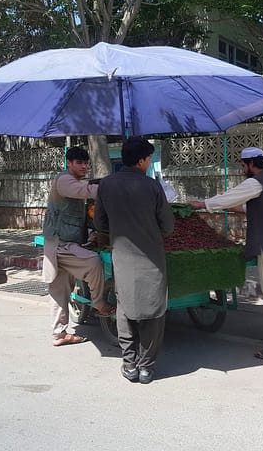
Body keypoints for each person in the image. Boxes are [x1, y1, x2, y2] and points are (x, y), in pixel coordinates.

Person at [189, 147, 263, 360]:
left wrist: (202, 204)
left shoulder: (256, 182)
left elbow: (231, 197)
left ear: (251, 164)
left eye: (243, 165)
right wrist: (232, 208)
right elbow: (258, 207)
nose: (242, 169)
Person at [94, 137, 175, 383]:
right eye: (149, 158)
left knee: (125, 307)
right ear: (141, 160)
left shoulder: (106, 185)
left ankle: (129, 364)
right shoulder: (152, 186)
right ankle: (146, 367)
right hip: (151, 258)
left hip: (122, 256)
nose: (149, 162)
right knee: (153, 309)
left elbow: (100, 223)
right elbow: (168, 226)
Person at [42, 146, 115, 347]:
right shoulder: (65, 180)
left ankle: (59, 335)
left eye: (86, 163)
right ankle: (99, 303)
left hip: (63, 244)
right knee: (92, 262)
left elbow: (80, 217)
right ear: (69, 163)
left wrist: (91, 235)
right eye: (79, 163)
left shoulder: (75, 182)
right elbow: (86, 191)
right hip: (60, 245)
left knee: (60, 293)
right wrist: (115, 186)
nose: (84, 166)